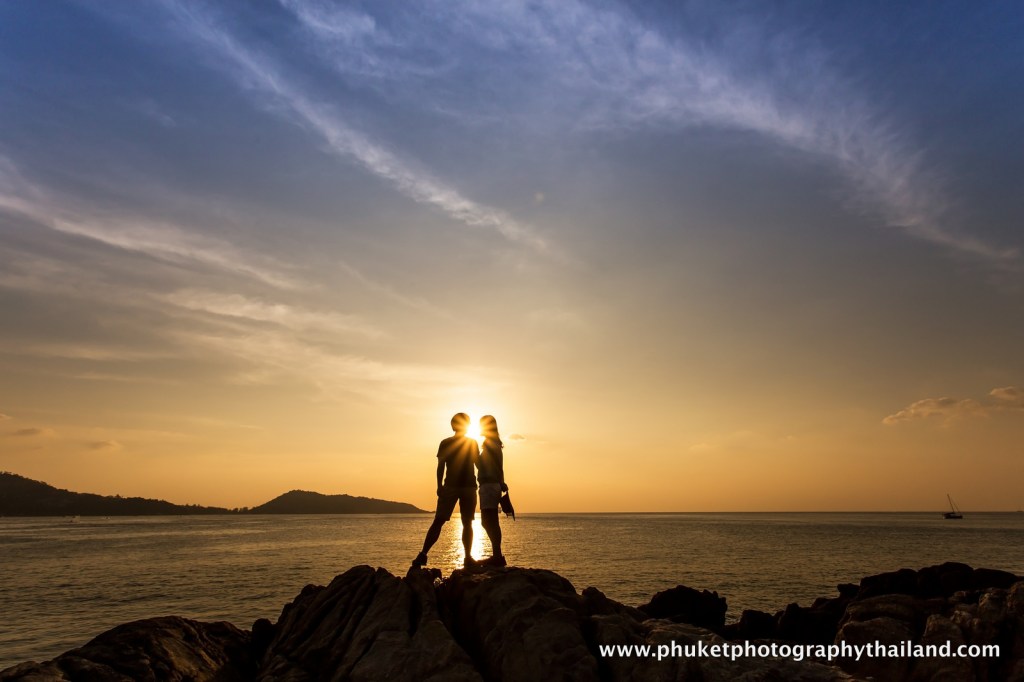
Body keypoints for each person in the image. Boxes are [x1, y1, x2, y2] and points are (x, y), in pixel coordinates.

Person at [412, 413, 479, 568]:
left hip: (460, 486)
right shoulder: (459, 443)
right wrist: (439, 486)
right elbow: (477, 463)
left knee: (446, 521)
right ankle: (465, 557)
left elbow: (442, 466)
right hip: (460, 486)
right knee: (460, 522)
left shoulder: (451, 443)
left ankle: (425, 555)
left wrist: (439, 486)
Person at [476, 414, 508, 567]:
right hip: (492, 485)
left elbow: (484, 467)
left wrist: (475, 457)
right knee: (490, 521)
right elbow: (499, 468)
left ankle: (497, 555)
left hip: (488, 486)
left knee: (488, 521)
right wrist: (501, 482)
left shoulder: (489, 444)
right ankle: (497, 555)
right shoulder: (495, 444)